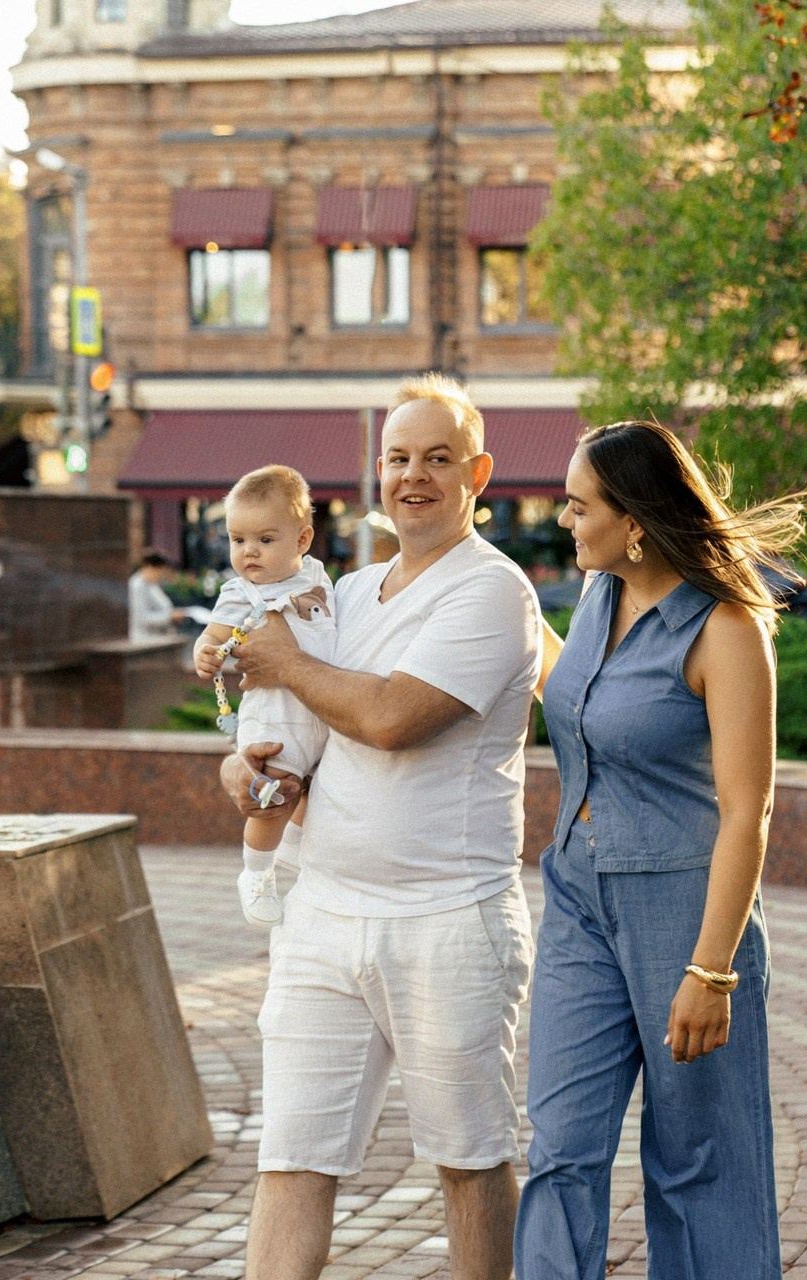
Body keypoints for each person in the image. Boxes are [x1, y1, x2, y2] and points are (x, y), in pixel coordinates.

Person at [222, 372, 542, 1280]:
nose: (416, 476)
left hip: (449, 920)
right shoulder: (348, 594)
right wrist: (244, 768)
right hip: (321, 916)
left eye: (438, 459)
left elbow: (395, 717)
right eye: (399, 458)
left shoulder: (492, 592)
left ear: (476, 472)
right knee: (290, 1157)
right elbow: (298, 730)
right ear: (378, 472)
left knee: (469, 1162)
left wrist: (281, 661)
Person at [514, 421, 807, 1280]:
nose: (563, 520)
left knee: (698, 1165)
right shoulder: (600, 592)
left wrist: (711, 970)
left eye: (577, 507)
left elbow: (747, 808)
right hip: (577, 899)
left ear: (635, 519)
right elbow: (585, 700)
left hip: (687, 913)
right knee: (561, 1146)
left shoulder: (725, 628)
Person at [193, 465, 335, 928]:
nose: (249, 552)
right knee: (274, 793)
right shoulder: (242, 592)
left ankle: (291, 852)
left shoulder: (317, 578)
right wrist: (208, 654)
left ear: (302, 540)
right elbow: (211, 635)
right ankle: (256, 874)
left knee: (310, 787)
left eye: (265, 540)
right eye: (238, 540)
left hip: (321, 709)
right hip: (273, 715)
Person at [127, 549, 184, 640]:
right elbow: (142, 617)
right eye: (159, 571)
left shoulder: (153, 584)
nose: (160, 575)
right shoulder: (137, 585)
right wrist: (169, 617)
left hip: (160, 637)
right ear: (149, 567)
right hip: (144, 639)